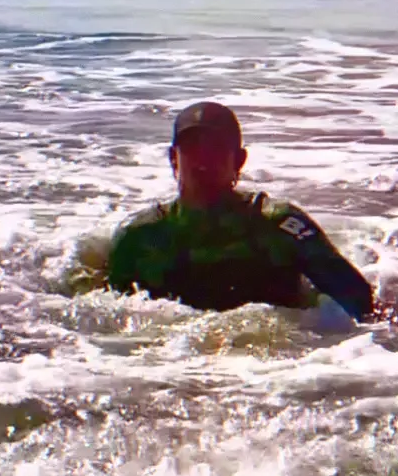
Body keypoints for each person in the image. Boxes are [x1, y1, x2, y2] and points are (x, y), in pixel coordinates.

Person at [107, 101, 375, 321]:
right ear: (173, 158)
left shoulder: (280, 225)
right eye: (192, 146)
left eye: (215, 147)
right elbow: (109, 323)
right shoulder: (140, 237)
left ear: (239, 160)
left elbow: (361, 303)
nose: (203, 158)